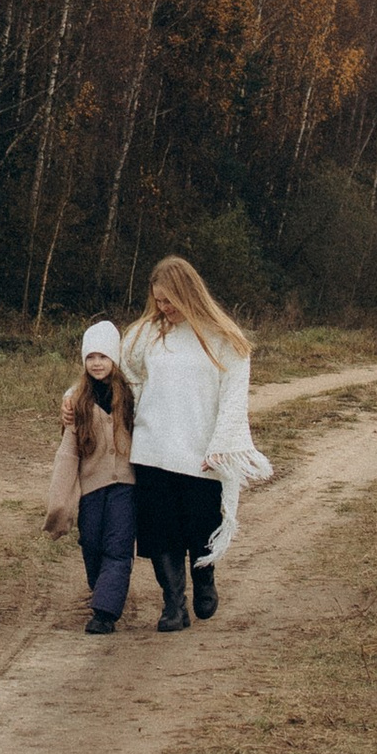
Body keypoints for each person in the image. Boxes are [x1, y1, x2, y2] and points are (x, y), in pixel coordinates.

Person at [118, 255, 272, 634]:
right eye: (158, 301)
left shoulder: (223, 338)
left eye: (169, 300)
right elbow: (122, 374)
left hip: (200, 452)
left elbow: (234, 397)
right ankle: (173, 605)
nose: (163, 308)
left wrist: (222, 445)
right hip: (152, 449)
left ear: (188, 294)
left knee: (201, 528)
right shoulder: (145, 335)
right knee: (160, 532)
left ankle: (205, 579)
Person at [45, 317, 137, 633]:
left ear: (115, 358)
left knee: (118, 545)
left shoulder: (131, 395)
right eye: (91, 357)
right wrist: (60, 499)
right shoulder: (78, 400)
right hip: (91, 487)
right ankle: (102, 591)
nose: (97, 363)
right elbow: (68, 450)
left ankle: (104, 613)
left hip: (126, 485)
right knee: (92, 544)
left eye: (104, 356)